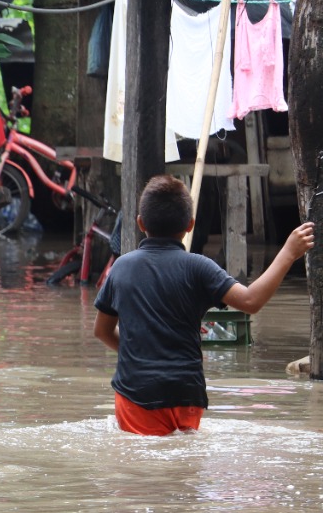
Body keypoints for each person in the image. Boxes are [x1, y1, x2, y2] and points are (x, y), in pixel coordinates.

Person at [93, 175, 314, 435]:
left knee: (145, 467)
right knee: (184, 468)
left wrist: (139, 352)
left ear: (140, 223)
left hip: (137, 392)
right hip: (187, 392)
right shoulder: (199, 267)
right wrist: (288, 252)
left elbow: (102, 331)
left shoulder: (121, 268)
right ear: (190, 225)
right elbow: (251, 301)